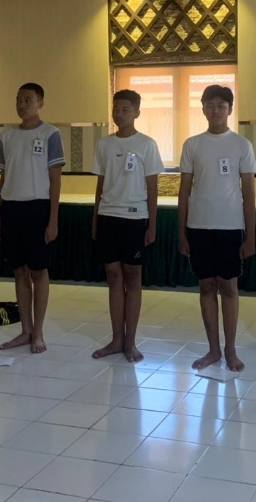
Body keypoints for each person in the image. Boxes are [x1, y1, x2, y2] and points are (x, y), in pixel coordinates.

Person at [178, 85, 256, 372]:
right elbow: (184, 191)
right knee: (206, 287)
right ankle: (213, 350)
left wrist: (250, 236)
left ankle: (230, 350)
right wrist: (181, 232)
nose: (215, 110)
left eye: (221, 105)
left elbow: (249, 193)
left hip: (230, 227)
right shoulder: (192, 144)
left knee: (229, 287)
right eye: (210, 105)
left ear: (230, 109)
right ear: (202, 109)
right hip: (199, 226)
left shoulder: (241, 145)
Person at [91, 90, 164, 363]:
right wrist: (95, 220)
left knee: (133, 279)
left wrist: (152, 224)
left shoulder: (147, 144)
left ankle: (131, 342)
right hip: (108, 217)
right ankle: (116, 339)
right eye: (116, 108)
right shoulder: (104, 144)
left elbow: (153, 188)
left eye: (125, 109)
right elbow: (100, 186)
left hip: (135, 219)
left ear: (136, 112)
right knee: (113, 277)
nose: (119, 113)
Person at [0, 83, 65, 354]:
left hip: (38, 208)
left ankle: (39, 332)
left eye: (28, 100)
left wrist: (53, 219)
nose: (22, 105)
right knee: (19, 271)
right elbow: (4, 177)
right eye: (19, 100)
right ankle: (25, 330)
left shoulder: (50, 133)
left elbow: (55, 179)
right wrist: (0, 215)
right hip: (11, 208)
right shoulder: (7, 136)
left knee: (38, 271)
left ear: (40, 103)